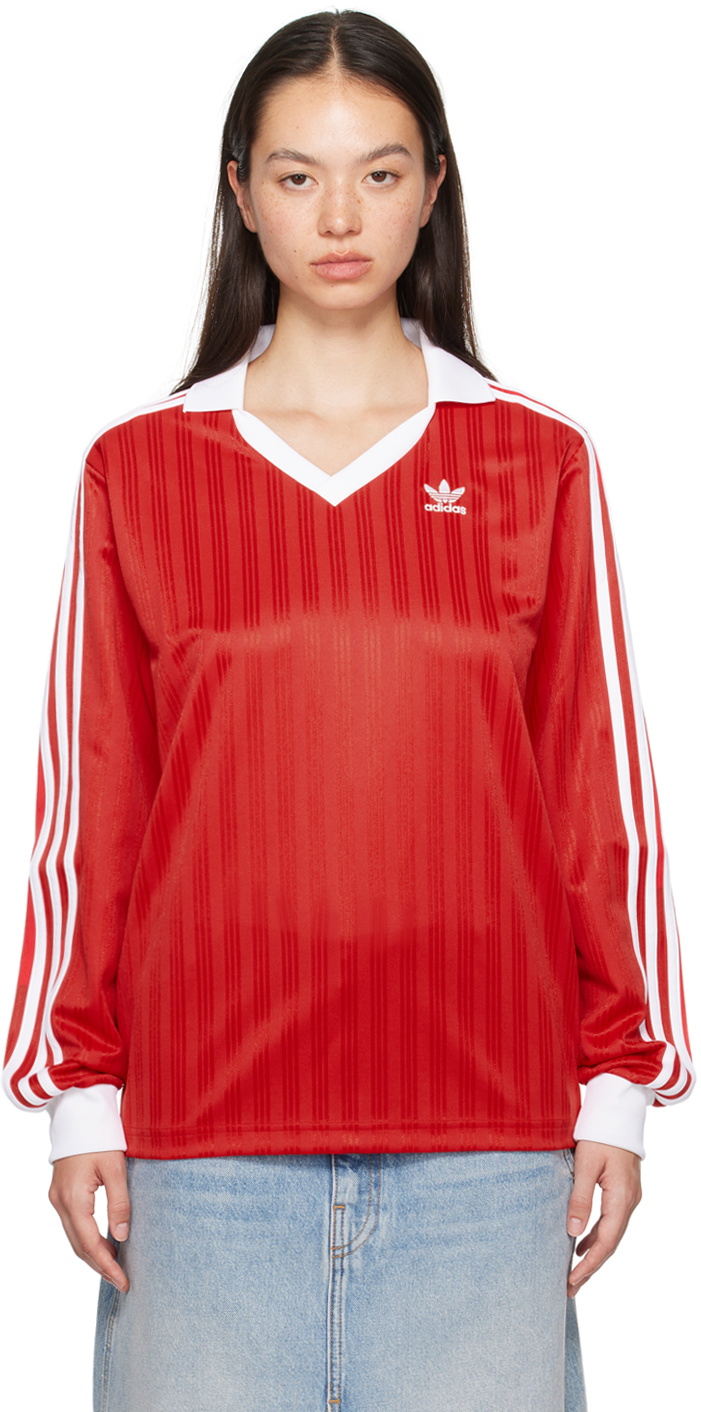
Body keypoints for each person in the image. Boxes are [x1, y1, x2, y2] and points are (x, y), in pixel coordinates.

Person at [2, 9, 695, 1411]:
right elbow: (95, 801)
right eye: (297, 174)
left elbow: (596, 795)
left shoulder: (536, 462)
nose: (338, 217)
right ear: (241, 192)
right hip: (199, 1154)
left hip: (488, 1152)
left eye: (378, 173)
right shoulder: (142, 469)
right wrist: (80, 1094)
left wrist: (620, 1085)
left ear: (433, 189)